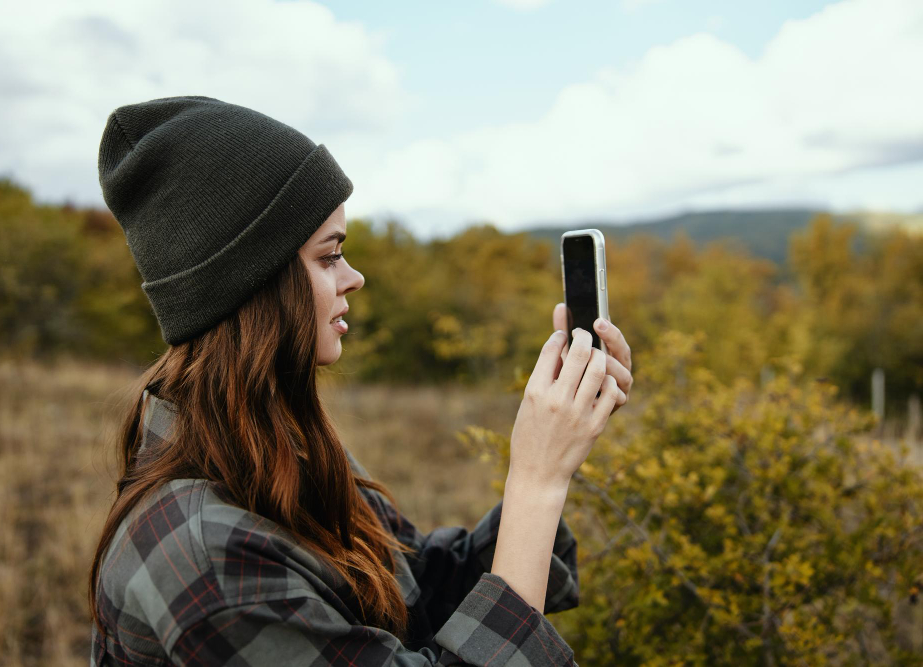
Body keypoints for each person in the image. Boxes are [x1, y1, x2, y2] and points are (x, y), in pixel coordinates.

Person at [88, 95, 633, 666]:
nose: (355, 277)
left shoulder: (276, 440)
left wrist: (559, 440)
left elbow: (420, 588)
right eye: (329, 256)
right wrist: (534, 482)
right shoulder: (209, 562)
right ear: (252, 282)